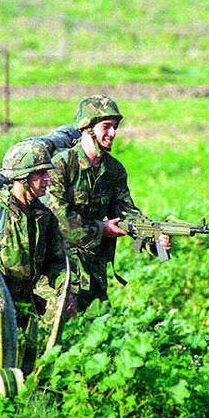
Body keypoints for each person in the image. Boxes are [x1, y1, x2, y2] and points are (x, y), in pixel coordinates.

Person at [45, 94, 164, 313]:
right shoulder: (61, 166)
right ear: (87, 127)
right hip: (60, 270)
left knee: (99, 330)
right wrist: (102, 230)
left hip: (94, 271)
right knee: (61, 334)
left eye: (115, 127)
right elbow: (60, 221)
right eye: (106, 126)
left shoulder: (113, 170)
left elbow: (127, 213)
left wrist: (154, 236)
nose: (113, 133)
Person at [0, 139, 70, 372]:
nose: (48, 179)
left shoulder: (44, 217)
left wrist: (64, 287)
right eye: (40, 174)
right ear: (23, 179)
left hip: (26, 303)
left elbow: (55, 263)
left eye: (47, 173)